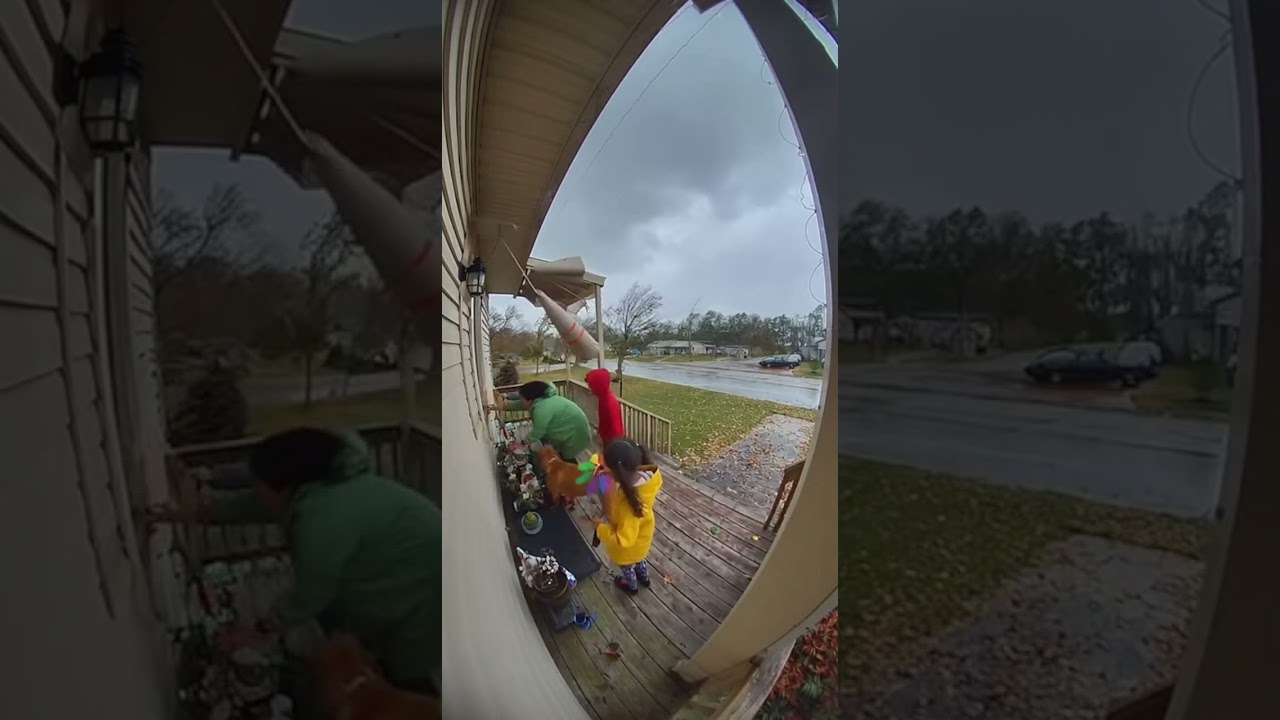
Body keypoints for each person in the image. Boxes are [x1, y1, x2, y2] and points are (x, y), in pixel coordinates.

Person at [150, 427, 441, 697]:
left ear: (284, 486)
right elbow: (255, 505)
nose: (256, 492)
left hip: (431, 589)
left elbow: (312, 593)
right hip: (412, 580)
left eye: (258, 485)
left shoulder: (322, 518)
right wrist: (197, 511)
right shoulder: (321, 491)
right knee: (384, 670)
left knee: (407, 683)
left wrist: (260, 630)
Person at [594, 438, 663, 595]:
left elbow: (623, 540)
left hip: (628, 549)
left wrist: (600, 529)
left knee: (628, 568)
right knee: (640, 561)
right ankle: (644, 578)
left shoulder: (629, 506)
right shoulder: (646, 481)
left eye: (608, 468)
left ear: (618, 472)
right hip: (642, 541)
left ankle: (631, 586)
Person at [499, 380, 591, 460]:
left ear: (530, 399)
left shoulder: (541, 409)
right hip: (570, 431)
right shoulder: (542, 400)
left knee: (564, 461)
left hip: (576, 437)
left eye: (522, 398)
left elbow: (538, 431)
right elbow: (522, 404)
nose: (521, 400)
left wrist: (522, 443)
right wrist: (504, 406)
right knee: (555, 455)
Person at [585, 368, 625, 447]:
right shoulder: (603, 398)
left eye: (592, 386)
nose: (590, 389)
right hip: (606, 440)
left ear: (599, 386)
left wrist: (612, 447)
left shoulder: (610, 403)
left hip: (613, 444)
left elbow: (616, 430)